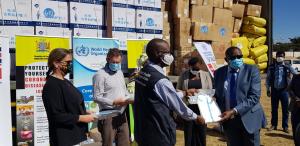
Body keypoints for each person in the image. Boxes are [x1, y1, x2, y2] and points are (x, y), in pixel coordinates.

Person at [134, 38, 205, 146]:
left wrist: (184, 93)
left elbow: (161, 96)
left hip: (143, 131)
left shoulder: (142, 72)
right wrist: (196, 117)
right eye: (167, 52)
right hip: (159, 134)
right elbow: (177, 105)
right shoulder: (160, 80)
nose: (170, 55)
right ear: (158, 54)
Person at [214, 47, 267, 146]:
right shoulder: (219, 73)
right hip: (229, 121)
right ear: (226, 60)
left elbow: (254, 97)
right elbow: (216, 95)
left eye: (240, 56)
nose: (237, 59)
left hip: (249, 118)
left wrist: (234, 111)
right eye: (234, 57)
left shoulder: (252, 70)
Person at [42, 48, 95, 146]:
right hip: (65, 138)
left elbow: (69, 105)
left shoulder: (65, 81)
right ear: (56, 63)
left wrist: (83, 111)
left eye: (71, 62)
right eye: (68, 62)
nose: (70, 65)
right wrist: (82, 118)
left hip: (77, 136)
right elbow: (56, 116)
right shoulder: (51, 85)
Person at [93, 48, 131, 146]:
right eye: (113, 62)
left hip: (122, 114)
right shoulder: (100, 75)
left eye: (118, 62)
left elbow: (123, 90)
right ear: (107, 60)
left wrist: (128, 98)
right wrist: (113, 102)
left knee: (125, 142)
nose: (116, 64)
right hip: (107, 116)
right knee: (108, 143)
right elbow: (96, 97)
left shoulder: (120, 72)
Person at [177, 57, 213, 146]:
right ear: (190, 66)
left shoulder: (206, 75)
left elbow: (210, 90)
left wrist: (204, 94)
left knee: (201, 130)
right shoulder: (184, 75)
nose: (196, 70)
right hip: (188, 106)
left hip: (202, 107)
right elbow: (177, 89)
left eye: (198, 68)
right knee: (189, 130)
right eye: (194, 68)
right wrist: (186, 92)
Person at [266, 51, 298, 133]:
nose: (280, 57)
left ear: (284, 57)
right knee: (274, 109)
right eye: (279, 56)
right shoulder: (272, 67)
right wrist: (268, 89)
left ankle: (285, 126)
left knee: (285, 110)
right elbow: (268, 79)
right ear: (276, 57)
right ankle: (274, 125)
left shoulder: (288, 66)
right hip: (274, 91)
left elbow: (296, 74)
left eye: (282, 56)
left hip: (285, 91)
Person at [288, 73, 300, 146]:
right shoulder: (296, 77)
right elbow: (289, 89)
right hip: (295, 108)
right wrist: (296, 99)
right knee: (296, 131)